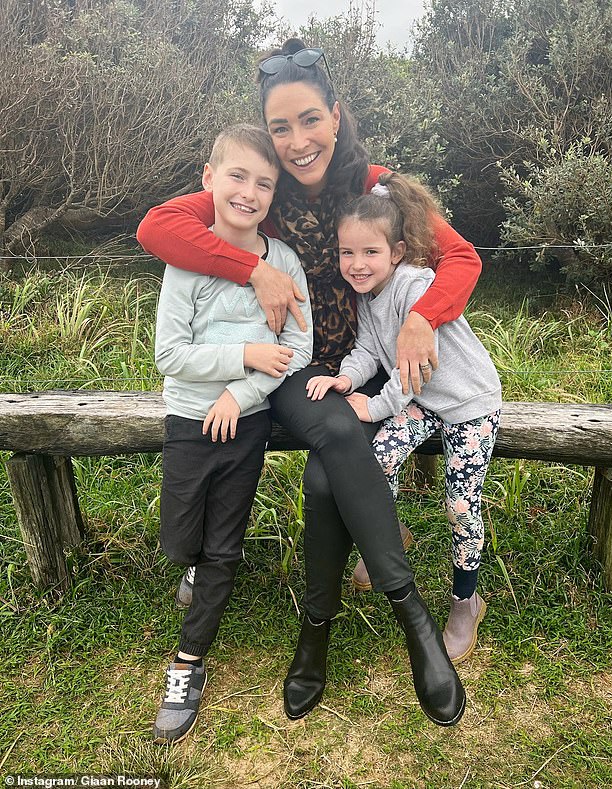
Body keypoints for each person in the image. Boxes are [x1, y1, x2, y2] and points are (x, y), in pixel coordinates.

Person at [138, 38, 483, 727]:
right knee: (330, 432)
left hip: (366, 367)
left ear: (336, 113)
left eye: (309, 120)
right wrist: (254, 269)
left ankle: (318, 629)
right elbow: (157, 226)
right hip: (293, 366)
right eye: (279, 126)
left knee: (327, 476)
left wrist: (422, 318)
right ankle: (409, 613)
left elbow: (463, 257)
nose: (296, 141)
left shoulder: (376, 187)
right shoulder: (260, 188)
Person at [152, 123, 313, 744]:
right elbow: (171, 354)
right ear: (208, 180)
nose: (248, 193)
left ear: (274, 196)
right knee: (179, 539)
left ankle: (189, 662)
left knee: (224, 546)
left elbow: (294, 347)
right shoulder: (186, 259)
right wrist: (244, 351)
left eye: (264, 184)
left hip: (246, 424)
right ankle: (191, 571)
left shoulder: (286, 261)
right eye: (238, 177)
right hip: (188, 421)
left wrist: (241, 393)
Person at [306, 172, 502, 665]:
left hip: (467, 405)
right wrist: (346, 381)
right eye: (347, 253)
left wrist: (373, 406)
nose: (356, 264)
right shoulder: (367, 294)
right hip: (425, 403)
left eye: (370, 253)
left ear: (396, 252)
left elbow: (416, 369)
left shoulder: (413, 285)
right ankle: (390, 536)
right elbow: (371, 349)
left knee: (460, 506)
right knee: (376, 460)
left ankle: (465, 599)